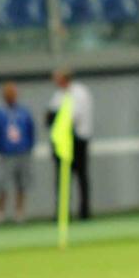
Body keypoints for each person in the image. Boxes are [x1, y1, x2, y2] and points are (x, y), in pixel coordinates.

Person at [47, 68, 93, 220]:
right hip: (63, 141)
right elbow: (50, 116)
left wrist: (59, 118)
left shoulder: (80, 93)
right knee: (62, 178)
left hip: (78, 139)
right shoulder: (58, 95)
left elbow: (73, 116)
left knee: (81, 176)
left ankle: (84, 211)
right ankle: (63, 212)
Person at [0, 81, 36, 223]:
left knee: (22, 184)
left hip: (23, 152)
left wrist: (28, 146)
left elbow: (31, 130)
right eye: (8, 94)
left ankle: (19, 212)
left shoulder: (24, 112)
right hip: (6, 154)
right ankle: (0, 213)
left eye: (13, 94)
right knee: (2, 183)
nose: (11, 96)